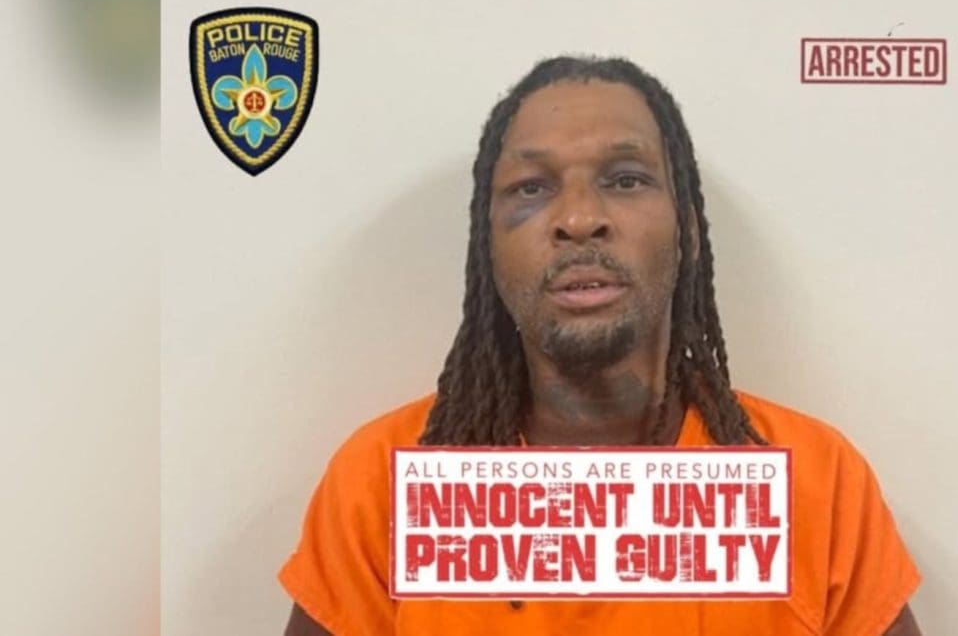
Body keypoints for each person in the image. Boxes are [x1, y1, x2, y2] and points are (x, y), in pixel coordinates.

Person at [278, 56, 922, 635]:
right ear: (488, 246)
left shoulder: (815, 484)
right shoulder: (383, 486)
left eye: (625, 179)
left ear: (688, 232)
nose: (580, 219)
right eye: (532, 187)